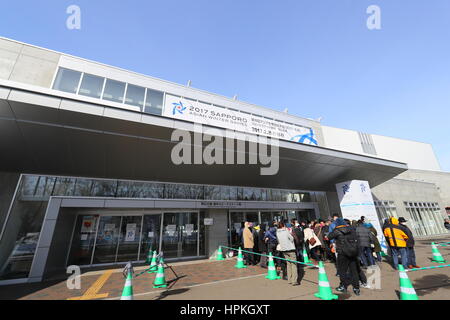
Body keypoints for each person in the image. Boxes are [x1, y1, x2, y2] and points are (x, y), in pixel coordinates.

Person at [328, 218, 361, 296]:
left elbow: (329, 237)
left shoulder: (337, 230)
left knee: (342, 271)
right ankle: (356, 288)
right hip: (352, 252)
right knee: (354, 271)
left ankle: (343, 286)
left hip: (342, 253)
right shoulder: (352, 229)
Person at [276, 221, 298, 286]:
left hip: (284, 249)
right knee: (293, 265)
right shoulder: (286, 231)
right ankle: (294, 281)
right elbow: (291, 238)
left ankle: (289, 280)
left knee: (288, 264)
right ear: (283, 225)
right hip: (290, 249)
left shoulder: (277, 232)